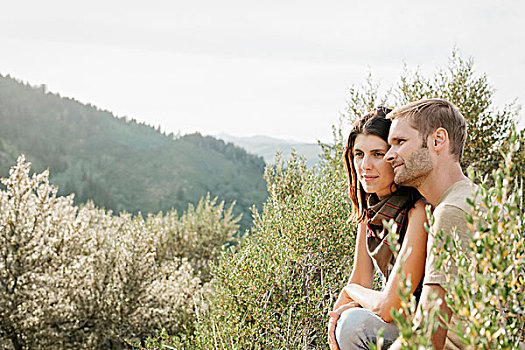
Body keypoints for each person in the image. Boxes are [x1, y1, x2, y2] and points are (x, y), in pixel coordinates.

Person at [328, 107, 429, 350]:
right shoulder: (369, 213)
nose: (365, 165)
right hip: (393, 320)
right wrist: (335, 317)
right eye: (359, 154)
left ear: (395, 156)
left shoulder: (418, 210)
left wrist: (351, 293)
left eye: (377, 154)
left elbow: (391, 305)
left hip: (422, 330)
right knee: (344, 321)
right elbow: (361, 279)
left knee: (353, 324)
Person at [384, 98, 474, 350]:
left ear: (438, 140)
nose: (390, 155)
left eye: (400, 142)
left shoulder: (451, 212)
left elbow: (428, 337)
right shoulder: (473, 198)